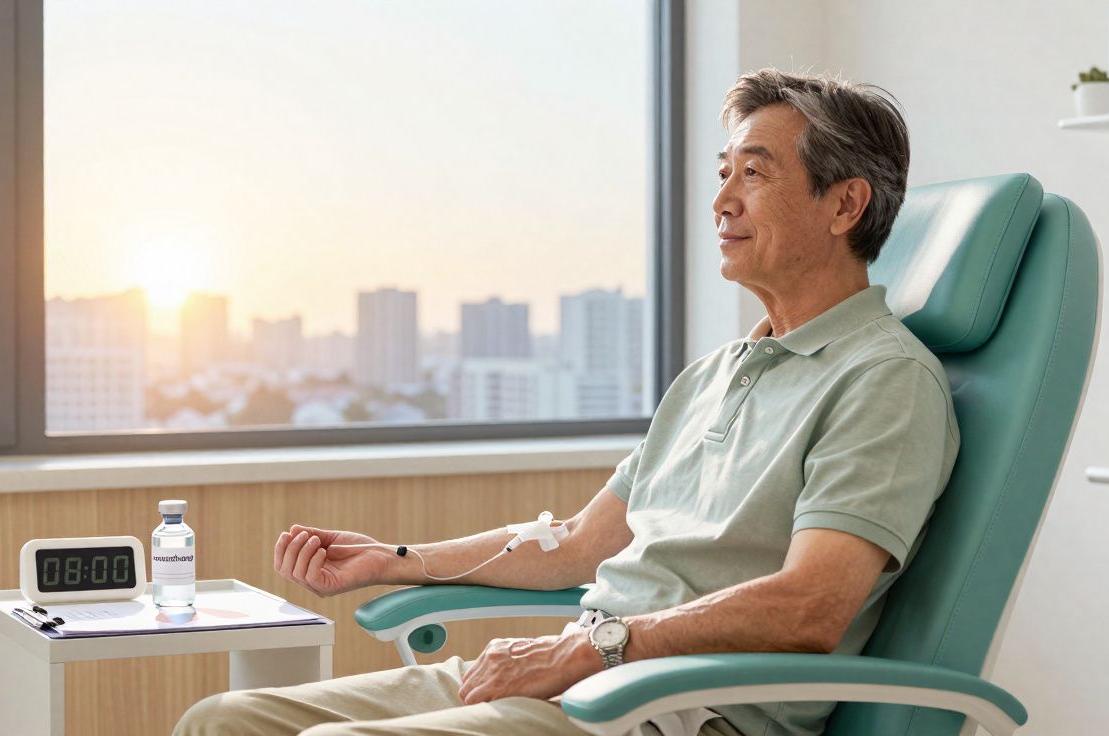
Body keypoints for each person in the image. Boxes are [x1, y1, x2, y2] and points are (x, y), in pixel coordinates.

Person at [174, 68, 958, 736]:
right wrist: (398, 561)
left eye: (752, 173)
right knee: (220, 722)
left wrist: (589, 648)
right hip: (590, 670)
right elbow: (582, 544)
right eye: (722, 172)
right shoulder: (717, 372)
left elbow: (810, 605)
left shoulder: (885, 379)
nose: (721, 201)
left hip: (675, 709)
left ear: (845, 205)